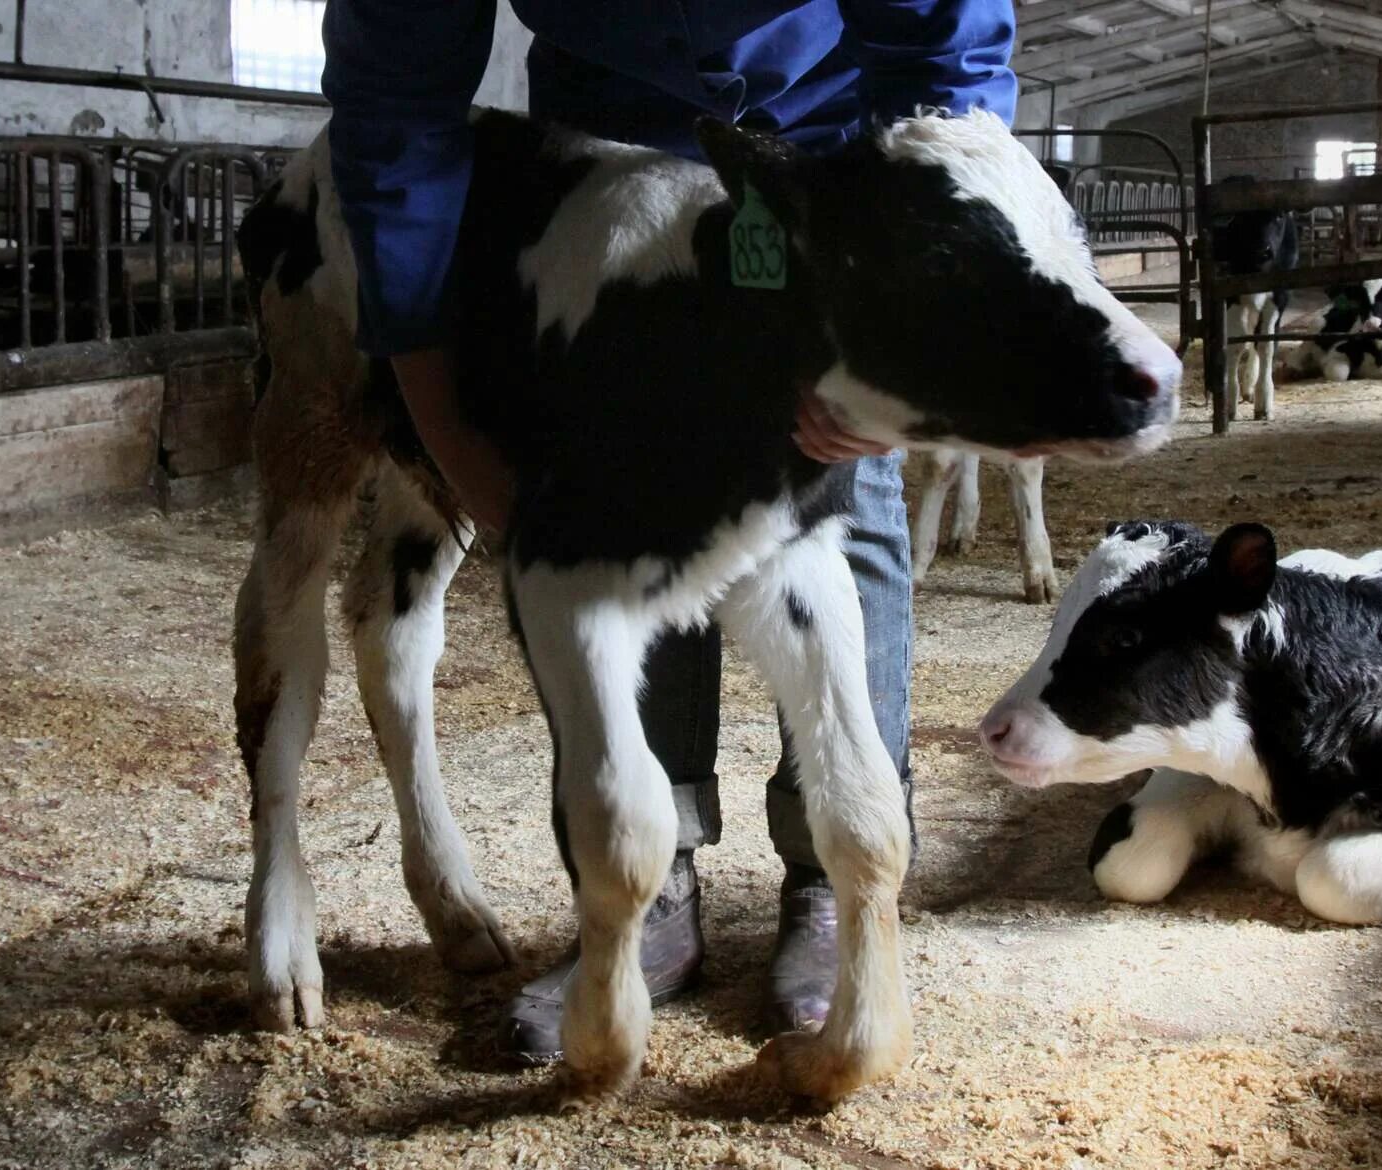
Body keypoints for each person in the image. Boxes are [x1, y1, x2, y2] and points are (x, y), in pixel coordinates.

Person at [320, 0, 1017, 1064]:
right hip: (612, 167)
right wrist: (436, 398)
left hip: (835, 143)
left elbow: (943, 48)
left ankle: (831, 887)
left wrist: (901, 287)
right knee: (619, 502)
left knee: (837, 500)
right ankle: (646, 887)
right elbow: (395, 96)